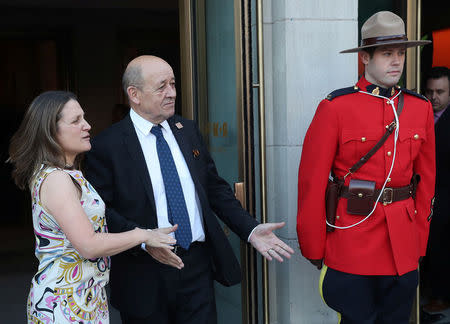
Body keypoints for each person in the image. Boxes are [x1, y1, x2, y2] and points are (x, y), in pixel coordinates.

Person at [84, 55, 294, 324]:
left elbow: (214, 188)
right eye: (161, 87)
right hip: (144, 270)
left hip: (196, 264)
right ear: (134, 94)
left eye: (173, 84)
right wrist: (145, 239)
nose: (171, 93)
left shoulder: (187, 130)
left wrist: (250, 229)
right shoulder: (107, 146)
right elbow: (101, 211)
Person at [297, 11, 435, 323]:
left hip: (402, 246)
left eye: (400, 53)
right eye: (387, 54)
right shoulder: (335, 108)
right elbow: (312, 183)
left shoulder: (419, 108)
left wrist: (418, 242)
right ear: (365, 58)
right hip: (352, 241)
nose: (396, 61)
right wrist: (315, 247)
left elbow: (426, 181)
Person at [8, 91, 177, 323]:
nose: (87, 125)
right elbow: (89, 244)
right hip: (63, 302)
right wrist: (143, 235)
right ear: (50, 130)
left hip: (84, 297)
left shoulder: (68, 174)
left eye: (84, 118)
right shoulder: (56, 179)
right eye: (76, 121)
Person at [423, 66, 450, 313]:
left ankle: (439, 297)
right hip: (422, 195)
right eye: (430, 91)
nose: (434, 97)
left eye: (440, 91)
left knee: (440, 247)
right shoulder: (418, 115)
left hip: (446, 195)